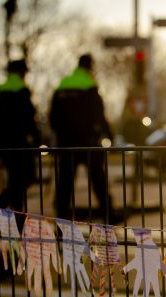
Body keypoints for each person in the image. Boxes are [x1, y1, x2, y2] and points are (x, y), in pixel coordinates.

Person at [49, 54, 120, 223]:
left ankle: (61, 215)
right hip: (88, 142)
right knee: (98, 179)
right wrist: (110, 135)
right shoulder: (89, 85)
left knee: (65, 181)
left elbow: (53, 116)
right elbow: (99, 115)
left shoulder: (63, 85)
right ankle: (108, 213)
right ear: (90, 67)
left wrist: (61, 134)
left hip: (66, 144)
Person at [0, 59, 40, 211]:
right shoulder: (21, 89)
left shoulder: (1, 90)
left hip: (3, 143)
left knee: (15, 178)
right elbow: (28, 118)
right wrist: (36, 140)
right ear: (22, 72)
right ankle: (3, 205)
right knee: (27, 176)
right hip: (19, 143)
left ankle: (10, 208)